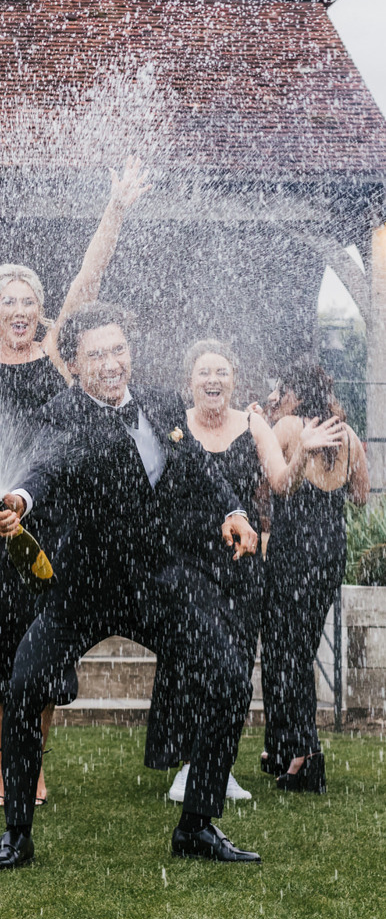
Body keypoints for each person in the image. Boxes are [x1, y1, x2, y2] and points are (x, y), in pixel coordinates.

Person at [0, 154, 149, 806]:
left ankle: (31, 763)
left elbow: (89, 278)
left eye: (29, 301)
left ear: (42, 312)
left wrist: (115, 208)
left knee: (44, 637)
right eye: (8, 302)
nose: (19, 309)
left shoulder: (61, 353)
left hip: (49, 514)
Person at [0, 303, 263, 868]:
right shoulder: (60, 415)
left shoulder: (160, 403)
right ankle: (17, 833)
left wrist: (233, 510)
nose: (110, 364)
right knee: (25, 685)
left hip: (156, 580)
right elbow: (43, 470)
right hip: (82, 587)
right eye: (96, 356)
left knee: (230, 676)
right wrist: (18, 501)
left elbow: (198, 467)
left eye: (117, 351)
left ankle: (196, 826)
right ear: (74, 364)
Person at [145, 341, 345, 803]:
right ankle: (190, 764)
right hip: (187, 560)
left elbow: (281, 483)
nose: (213, 380)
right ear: (190, 381)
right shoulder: (175, 425)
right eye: (204, 372)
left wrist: (301, 453)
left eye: (222, 372)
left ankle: (221, 766)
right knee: (192, 662)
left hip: (240, 561)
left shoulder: (254, 424)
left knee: (234, 665)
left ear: (234, 380)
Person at [259, 364, 369, 791]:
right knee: (298, 650)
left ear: (295, 393)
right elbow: (360, 496)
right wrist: (335, 472)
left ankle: (305, 755)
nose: (277, 396)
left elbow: (270, 486)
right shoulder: (347, 435)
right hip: (329, 551)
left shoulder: (289, 427)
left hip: (293, 550)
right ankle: (281, 748)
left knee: (285, 652)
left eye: (281, 389)